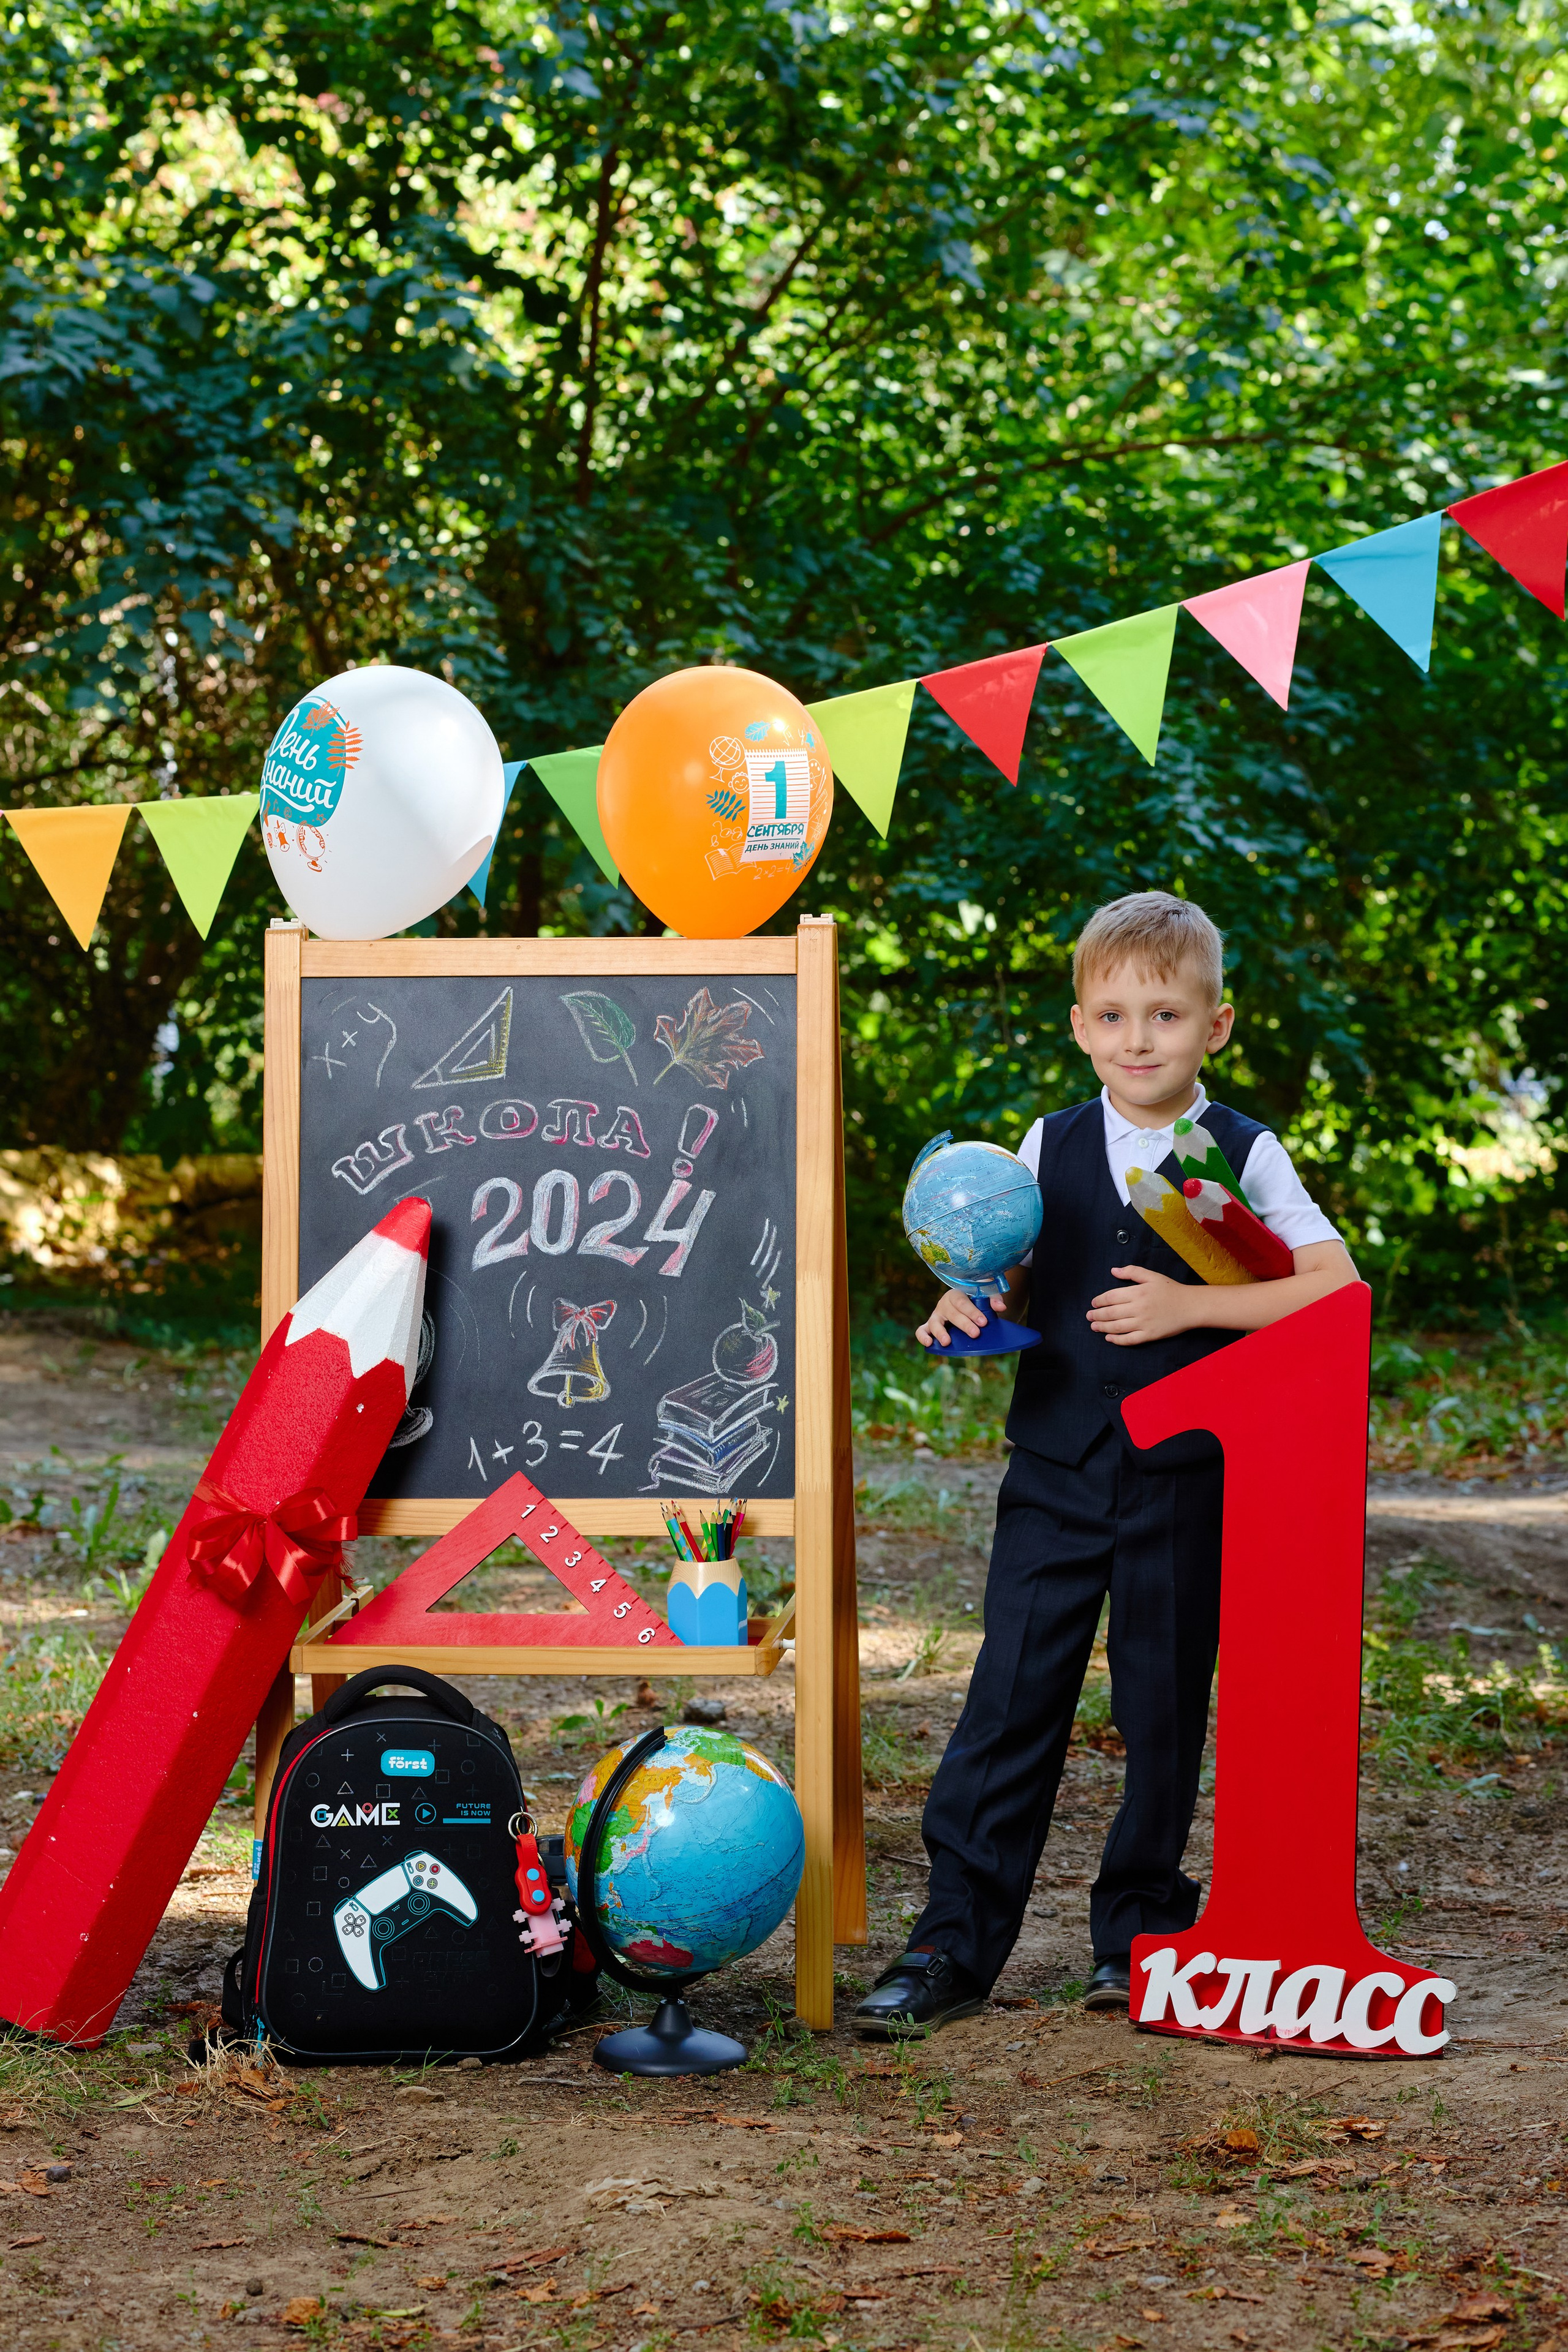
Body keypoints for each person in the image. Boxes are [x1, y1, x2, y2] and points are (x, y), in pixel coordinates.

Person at [853, 890, 1358, 2036]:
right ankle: (951, 1946)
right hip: (1056, 1470)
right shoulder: (1048, 1144)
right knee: (1010, 1700)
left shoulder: (1237, 1151)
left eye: (1167, 1016)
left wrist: (1195, 1303)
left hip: (1183, 1474)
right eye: (1116, 1015)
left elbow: (1334, 1289)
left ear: (1214, 1028)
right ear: (1080, 1026)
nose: (1141, 1039)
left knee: (1163, 1710)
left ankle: (1140, 1940)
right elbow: (1007, 1273)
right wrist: (964, 1301)